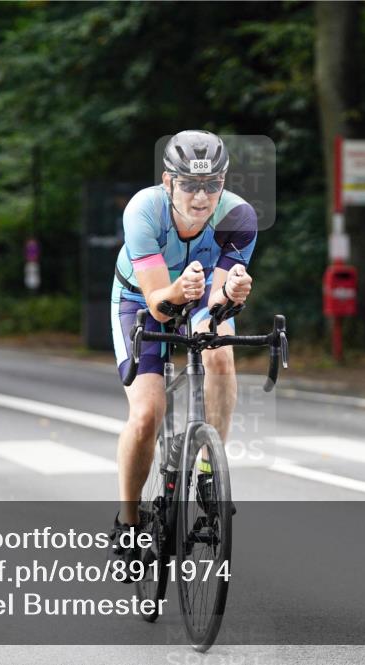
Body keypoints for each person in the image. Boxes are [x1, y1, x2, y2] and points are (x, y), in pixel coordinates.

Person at [108, 130, 256, 566]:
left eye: (212, 185)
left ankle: (210, 473)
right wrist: (178, 289)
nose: (200, 197)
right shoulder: (143, 210)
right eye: (190, 185)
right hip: (140, 299)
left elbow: (213, 306)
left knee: (220, 354)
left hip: (197, 295)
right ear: (168, 181)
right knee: (146, 415)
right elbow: (157, 301)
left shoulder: (239, 217)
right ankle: (129, 522)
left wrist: (230, 292)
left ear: (223, 181)